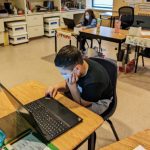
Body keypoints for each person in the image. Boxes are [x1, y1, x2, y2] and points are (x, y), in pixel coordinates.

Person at [46, 45, 113, 115]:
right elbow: (68, 81)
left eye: (64, 73)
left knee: (76, 114)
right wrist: (55, 87)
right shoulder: (81, 64)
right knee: (60, 102)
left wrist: (72, 86)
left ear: (77, 69)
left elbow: (81, 104)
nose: (63, 75)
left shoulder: (94, 83)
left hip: (99, 102)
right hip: (85, 92)